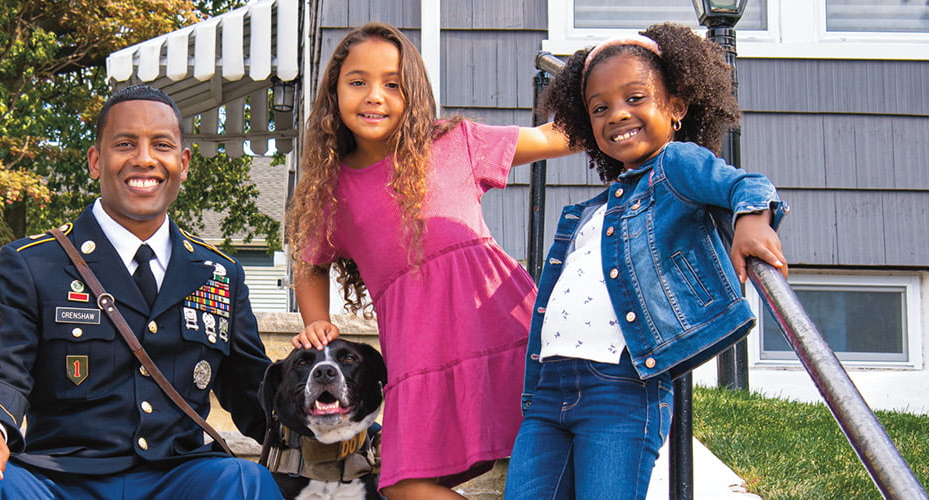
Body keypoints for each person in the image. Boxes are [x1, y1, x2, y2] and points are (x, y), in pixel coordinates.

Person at [0, 85, 280, 500]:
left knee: (246, 483)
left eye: (161, 145)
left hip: (178, 479)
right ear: (95, 160)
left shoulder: (219, 273)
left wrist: (337, 425)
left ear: (183, 163)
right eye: (125, 144)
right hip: (59, 480)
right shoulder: (35, 263)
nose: (144, 158)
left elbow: (256, 393)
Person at [286, 22, 576, 500]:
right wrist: (317, 321)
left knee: (546, 446)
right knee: (402, 486)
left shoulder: (455, 142)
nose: (374, 95)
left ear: (413, 92)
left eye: (393, 84)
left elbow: (552, 138)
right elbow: (310, 263)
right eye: (358, 82)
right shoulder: (331, 190)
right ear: (334, 93)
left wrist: (622, 98)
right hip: (419, 352)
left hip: (504, 330)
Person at [504, 23, 790, 499]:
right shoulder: (589, 212)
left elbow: (743, 183)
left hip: (621, 387)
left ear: (675, 108)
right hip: (549, 389)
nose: (618, 114)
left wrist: (753, 219)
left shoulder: (675, 166)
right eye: (600, 108)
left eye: (635, 98)